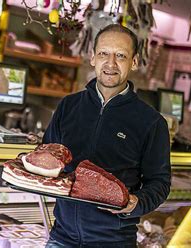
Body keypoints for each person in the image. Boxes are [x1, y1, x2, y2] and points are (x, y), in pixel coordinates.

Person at [42, 24, 171, 248]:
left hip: (113, 241)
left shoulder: (151, 122)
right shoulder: (68, 106)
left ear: (134, 61)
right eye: (103, 53)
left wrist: (135, 203)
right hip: (62, 237)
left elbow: (159, 182)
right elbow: (49, 156)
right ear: (92, 57)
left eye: (120, 55)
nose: (110, 63)